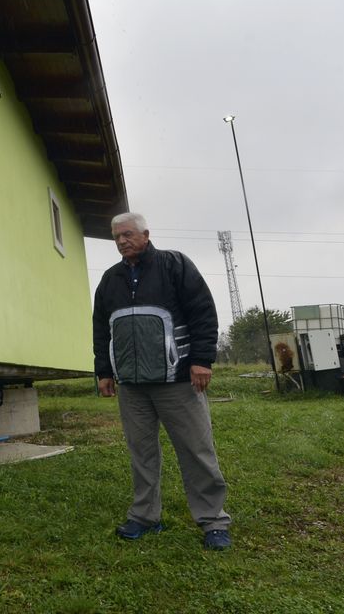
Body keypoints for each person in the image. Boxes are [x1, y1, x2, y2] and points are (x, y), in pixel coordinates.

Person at [92, 212, 232, 550]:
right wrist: (104, 371)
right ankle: (144, 516)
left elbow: (202, 311)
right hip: (132, 386)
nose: (122, 241)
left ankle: (213, 520)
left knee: (196, 450)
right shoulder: (110, 279)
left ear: (145, 234)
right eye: (116, 238)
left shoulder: (174, 265)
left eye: (127, 234)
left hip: (178, 380)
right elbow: (100, 328)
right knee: (141, 453)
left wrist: (201, 360)